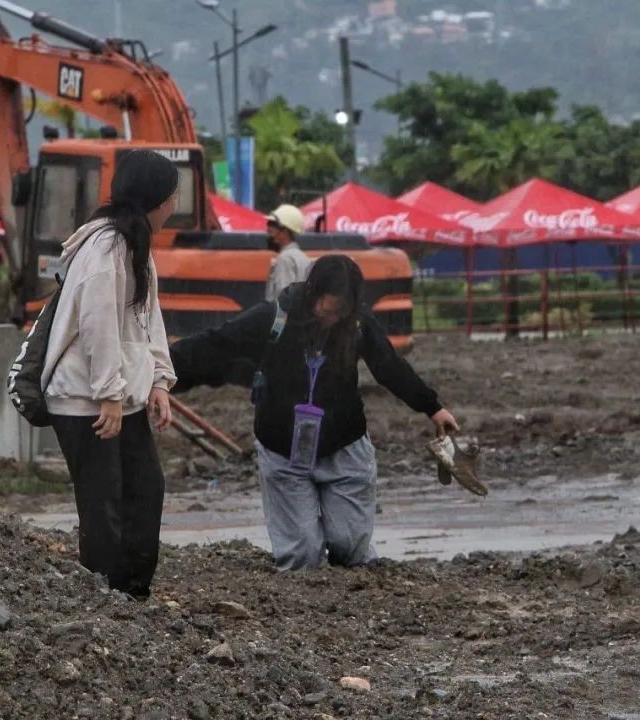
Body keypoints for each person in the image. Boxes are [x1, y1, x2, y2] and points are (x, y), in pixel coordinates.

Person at [171, 254, 459, 571]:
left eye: (342, 312)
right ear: (313, 293)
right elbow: (214, 345)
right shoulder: (273, 319)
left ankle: (345, 542)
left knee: (350, 551)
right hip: (282, 450)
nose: (333, 319)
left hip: (343, 446)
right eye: (329, 309)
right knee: (301, 557)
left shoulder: (357, 323)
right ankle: (305, 547)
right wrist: (158, 370)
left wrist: (432, 407)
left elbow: (389, 366)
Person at [41, 149, 178, 598]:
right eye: (172, 197)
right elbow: (97, 323)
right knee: (104, 504)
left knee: (145, 490)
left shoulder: (135, 245)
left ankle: (132, 594)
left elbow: (145, 320)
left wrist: (159, 379)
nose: (174, 207)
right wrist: (110, 395)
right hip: (87, 399)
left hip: (119, 394)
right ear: (156, 199)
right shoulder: (105, 247)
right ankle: (104, 599)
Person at [264, 203, 312, 302]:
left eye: (272, 225)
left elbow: (283, 300)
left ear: (285, 231)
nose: (268, 232)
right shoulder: (302, 257)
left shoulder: (285, 259)